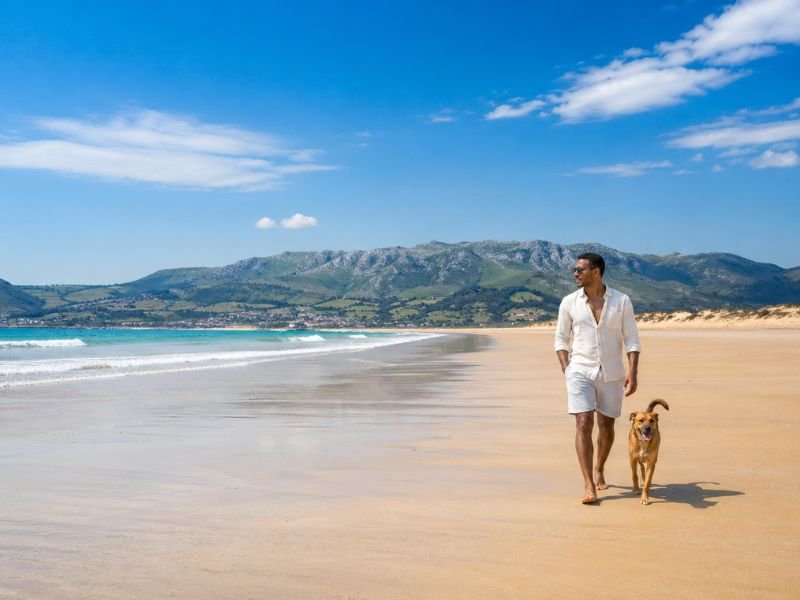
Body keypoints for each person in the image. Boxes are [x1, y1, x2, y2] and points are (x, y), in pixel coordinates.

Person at [554, 252, 641, 504]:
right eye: (574, 270)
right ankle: (588, 485)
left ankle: (599, 466)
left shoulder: (622, 301)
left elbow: (632, 339)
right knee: (583, 423)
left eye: (580, 269)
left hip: (612, 371)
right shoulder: (569, 302)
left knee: (607, 425)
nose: (575, 274)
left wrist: (632, 371)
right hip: (580, 370)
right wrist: (566, 369)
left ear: (596, 271)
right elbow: (560, 339)